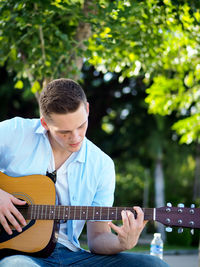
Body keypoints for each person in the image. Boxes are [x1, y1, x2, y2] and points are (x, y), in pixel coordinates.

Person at [0, 78, 169, 266]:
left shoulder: (101, 164)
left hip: (70, 255)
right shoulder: (15, 132)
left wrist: (121, 242)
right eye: (64, 132)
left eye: (81, 125)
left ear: (87, 110)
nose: (76, 137)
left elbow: (97, 238)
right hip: (17, 255)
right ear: (45, 124)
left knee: (154, 265)